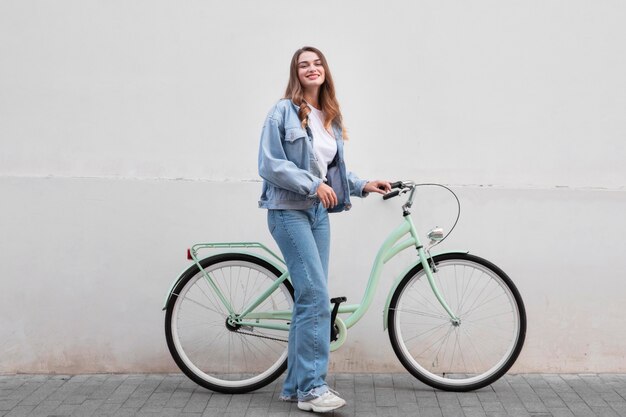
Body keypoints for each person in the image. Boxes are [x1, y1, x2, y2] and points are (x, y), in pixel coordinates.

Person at [257, 46, 391, 413]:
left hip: (318, 215)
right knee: (316, 296)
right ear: (296, 73)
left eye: (317, 63)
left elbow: (330, 172)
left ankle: (296, 386)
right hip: (288, 211)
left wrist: (364, 185)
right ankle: (313, 389)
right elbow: (269, 164)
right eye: (304, 65)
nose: (311, 69)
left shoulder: (329, 117)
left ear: (325, 71)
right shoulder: (282, 112)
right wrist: (310, 185)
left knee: (309, 297)